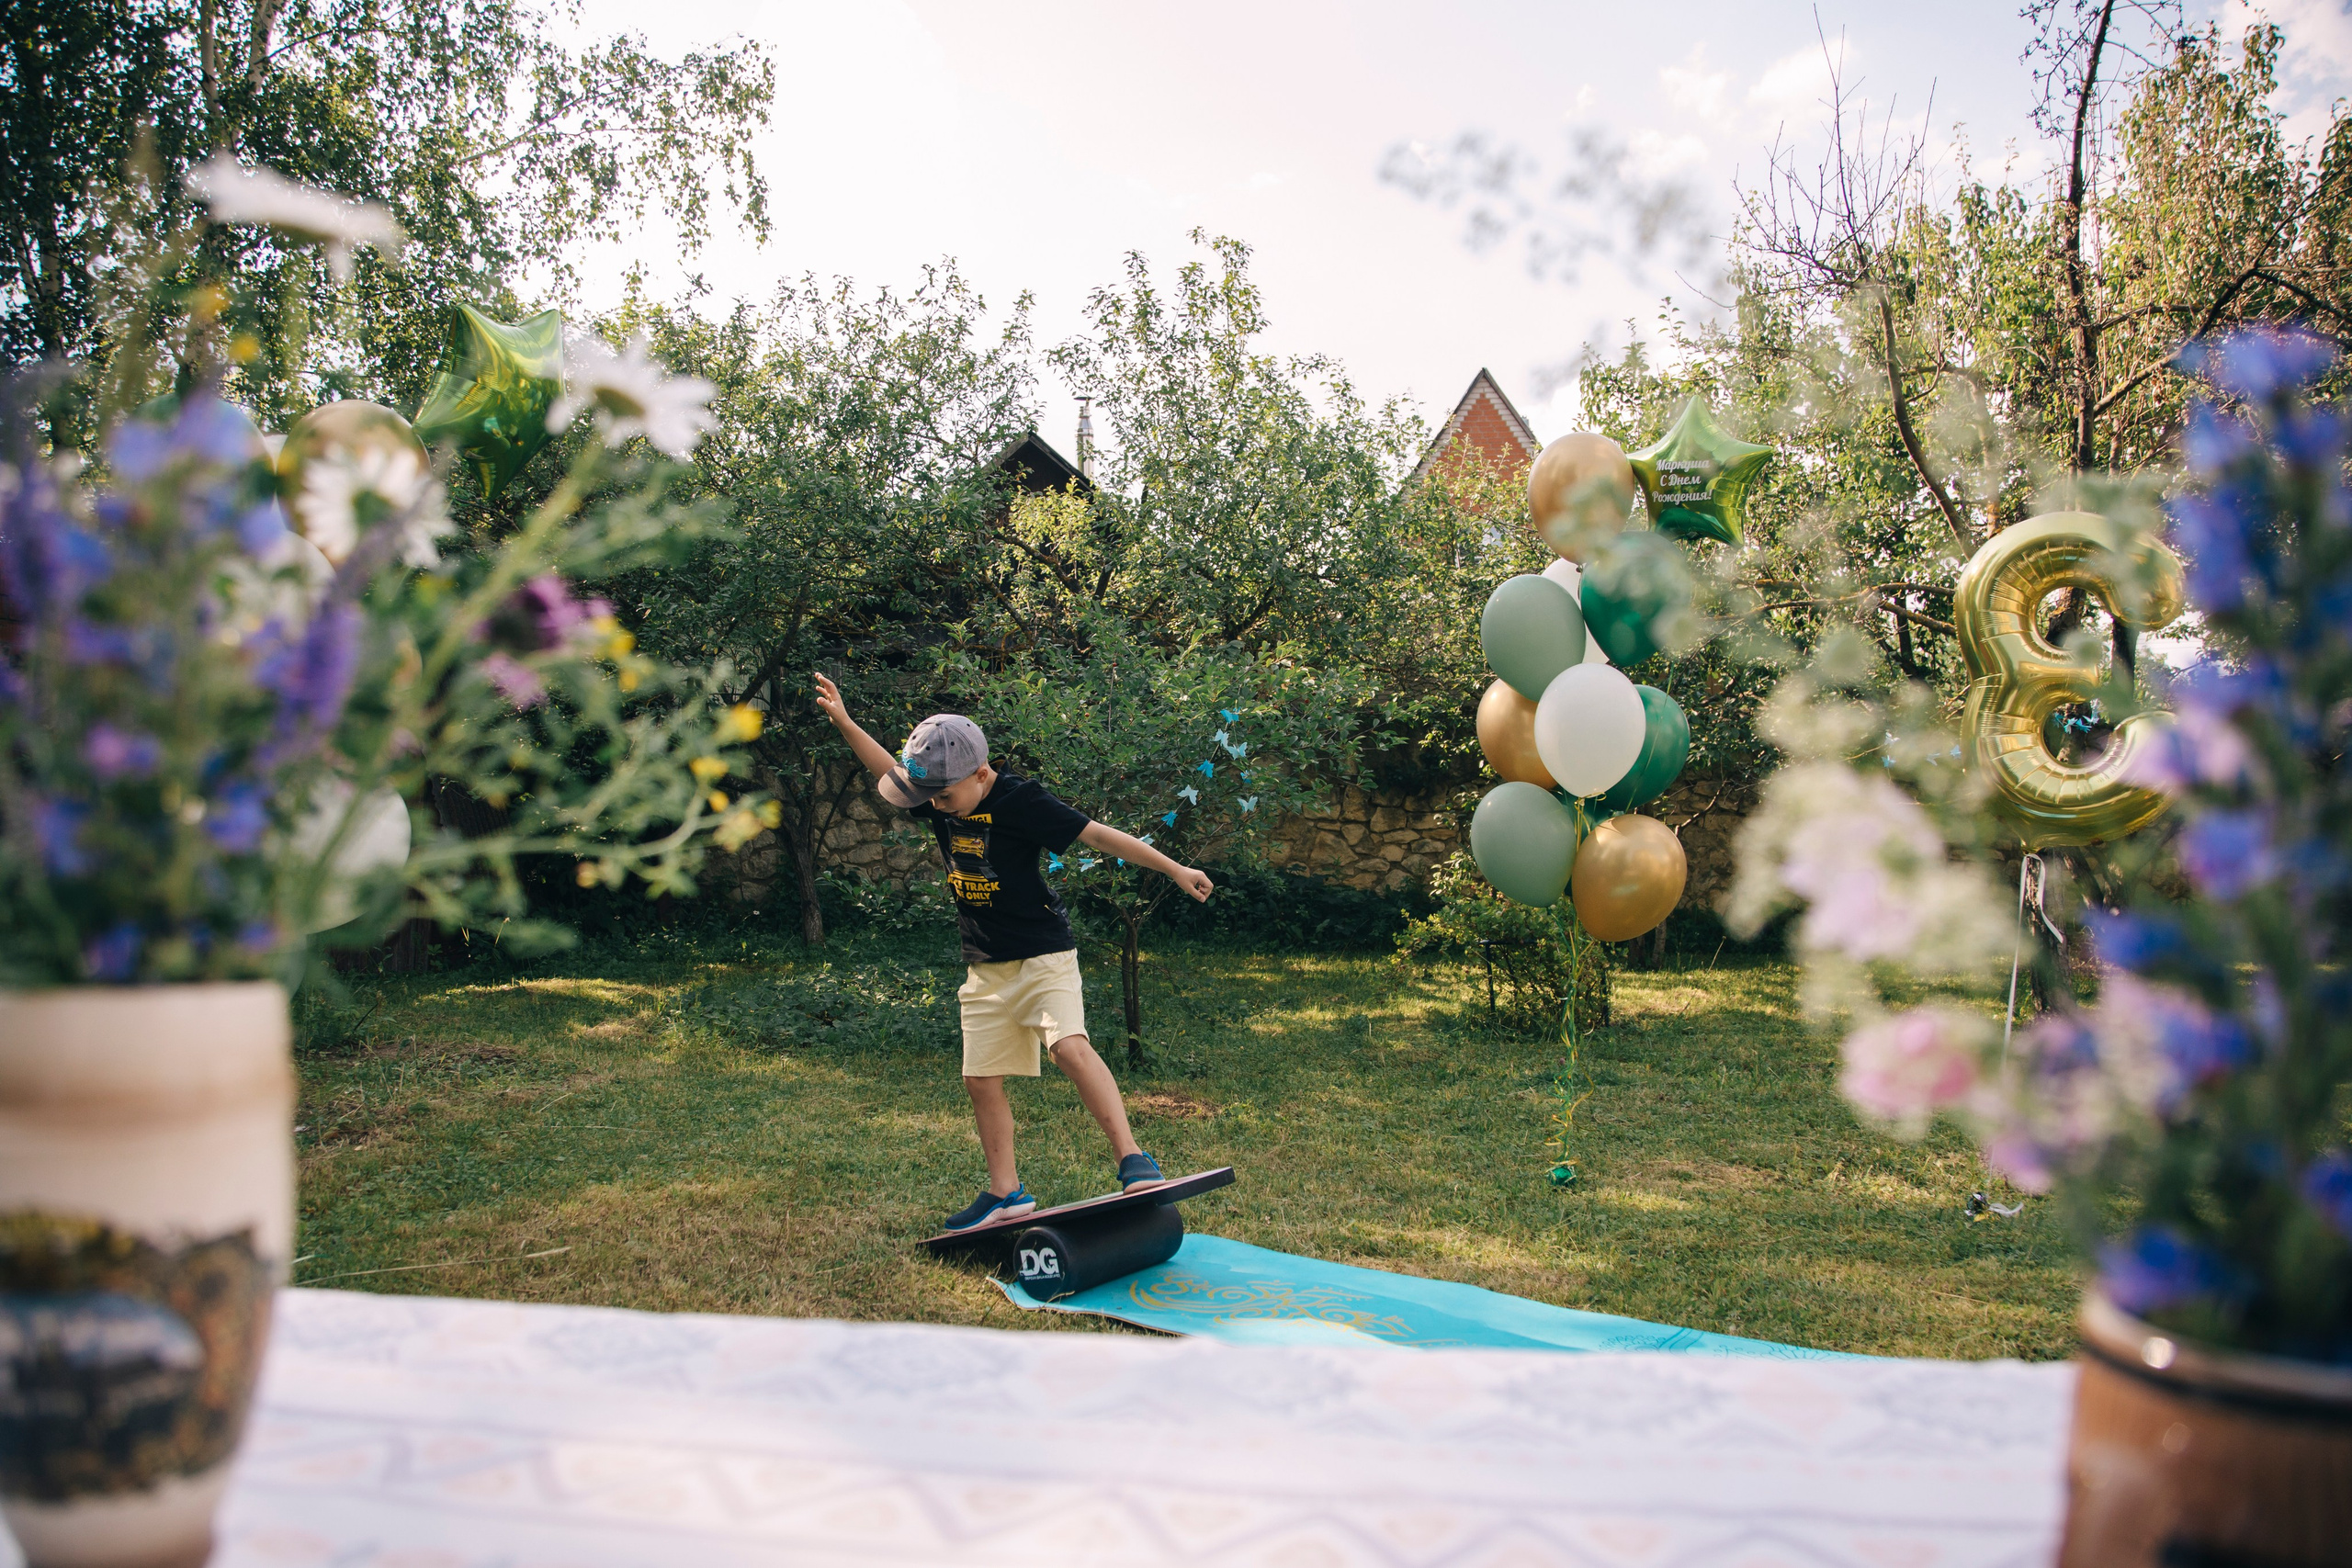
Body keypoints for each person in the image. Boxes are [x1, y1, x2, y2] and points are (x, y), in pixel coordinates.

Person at [813, 672, 1215, 1231]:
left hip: (1043, 953)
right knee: (981, 1077)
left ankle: (1134, 1159)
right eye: (929, 797)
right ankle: (1006, 1193)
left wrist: (1173, 869)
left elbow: (1098, 835)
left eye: (945, 797)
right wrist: (846, 722)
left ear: (981, 774)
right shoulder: (942, 793)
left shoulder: (1022, 800)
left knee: (1069, 1049)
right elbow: (888, 770)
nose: (936, 808)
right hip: (985, 964)